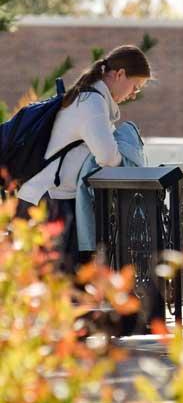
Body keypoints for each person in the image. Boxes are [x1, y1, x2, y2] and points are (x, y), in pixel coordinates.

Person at [17, 45, 152, 272]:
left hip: (49, 198)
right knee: (59, 283)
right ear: (119, 74)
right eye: (135, 86)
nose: (133, 94)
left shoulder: (90, 98)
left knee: (60, 284)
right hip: (49, 201)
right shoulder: (92, 103)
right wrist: (129, 164)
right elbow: (108, 157)